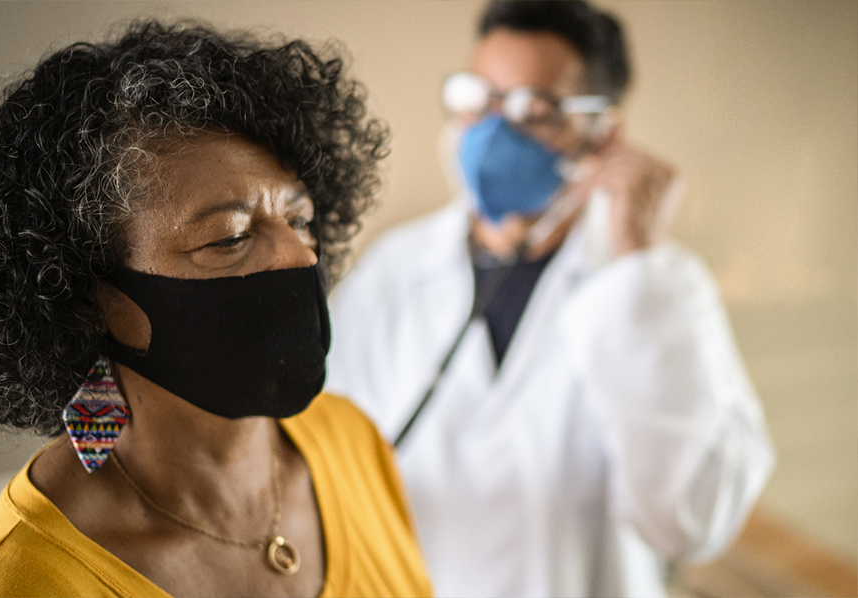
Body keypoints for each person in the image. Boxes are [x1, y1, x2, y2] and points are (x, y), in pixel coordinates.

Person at [0, 20, 432, 597]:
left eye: (299, 220)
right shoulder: (18, 582)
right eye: (229, 237)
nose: (301, 256)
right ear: (86, 297)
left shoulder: (352, 440)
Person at [325, 1, 775, 596]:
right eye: (477, 99)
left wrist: (635, 270)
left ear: (603, 133)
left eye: (533, 111)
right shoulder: (394, 271)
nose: (491, 131)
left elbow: (691, 524)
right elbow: (323, 464)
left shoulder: (661, 288)